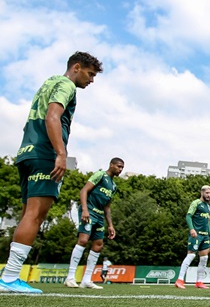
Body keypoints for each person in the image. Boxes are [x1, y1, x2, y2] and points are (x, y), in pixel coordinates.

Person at [0, 51, 103, 293]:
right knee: (35, 216)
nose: (91, 81)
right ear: (76, 68)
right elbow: (52, 116)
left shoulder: (49, 82)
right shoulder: (66, 85)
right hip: (44, 154)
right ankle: (10, 277)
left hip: (27, 152)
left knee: (27, 215)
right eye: (90, 74)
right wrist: (60, 153)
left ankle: (9, 275)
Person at [64, 157, 124, 289]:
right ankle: (70, 277)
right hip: (89, 211)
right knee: (83, 240)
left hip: (99, 215)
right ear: (111, 165)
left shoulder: (113, 186)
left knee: (98, 245)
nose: (120, 170)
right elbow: (84, 191)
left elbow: (107, 207)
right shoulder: (100, 175)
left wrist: (110, 225)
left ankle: (86, 280)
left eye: (122, 168)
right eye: (118, 166)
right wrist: (85, 209)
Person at [175, 185, 210, 289]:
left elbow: (207, 222)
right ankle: (179, 280)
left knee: (204, 258)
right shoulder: (196, 203)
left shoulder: (207, 206)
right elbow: (188, 216)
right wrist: (191, 229)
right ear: (202, 193)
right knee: (191, 256)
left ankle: (199, 282)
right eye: (207, 193)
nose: (209, 195)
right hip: (196, 234)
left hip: (205, 236)